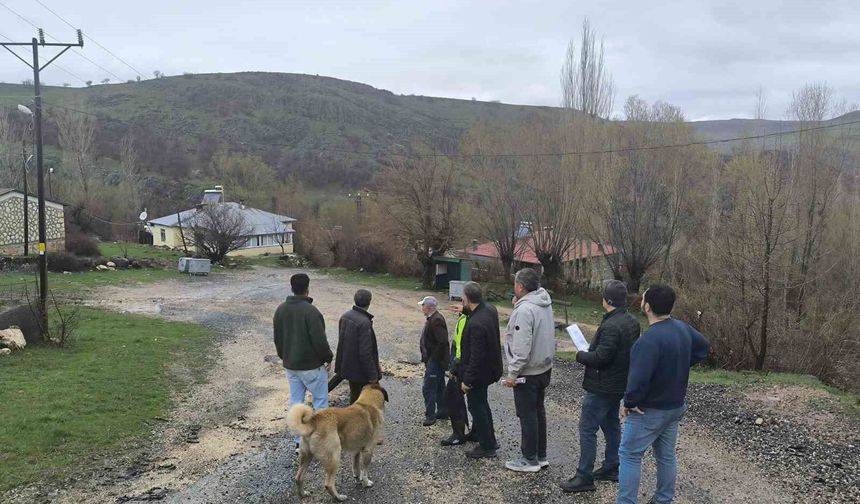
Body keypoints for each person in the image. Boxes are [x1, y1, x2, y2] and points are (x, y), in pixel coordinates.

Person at [616, 284, 710, 504]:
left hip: (649, 410)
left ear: (647, 306)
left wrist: (629, 402)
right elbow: (704, 347)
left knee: (629, 454)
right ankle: (663, 499)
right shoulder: (682, 328)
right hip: (675, 406)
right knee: (666, 456)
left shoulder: (647, 341)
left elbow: (637, 380)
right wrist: (682, 363)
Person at [560, 280, 641, 493]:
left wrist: (580, 354)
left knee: (587, 428)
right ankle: (612, 466)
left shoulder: (612, 325)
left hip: (602, 385)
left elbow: (601, 358)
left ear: (607, 300)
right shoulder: (632, 321)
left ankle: (584, 475)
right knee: (611, 424)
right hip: (618, 384)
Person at [502, 268, 555, 473]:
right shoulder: (544, 302)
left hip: (529, 371)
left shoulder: (525, 311)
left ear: (520, 287)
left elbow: (521, 347)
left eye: (515, 283)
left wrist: (512, 373)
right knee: (538, 411)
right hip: (544, 367)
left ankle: (529, 458)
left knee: (527, 415)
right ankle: (541, 455)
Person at [273, 273, 333, 451]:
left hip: (291, 365)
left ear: (291, 287)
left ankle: (299, 443)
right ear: (308, 288)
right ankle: (319, 441)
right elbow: (319, 341)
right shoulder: (311, 312)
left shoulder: (281, 309)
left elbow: (278, 338)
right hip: (311, 366)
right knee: (320, 402)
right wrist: (328, 357)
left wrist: (284, 356)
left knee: (296, 402)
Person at [459, 281, 504, 459]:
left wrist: (467, 380)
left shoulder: (476, 324)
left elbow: (476, 357)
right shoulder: (489, 310)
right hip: (491, 369)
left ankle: (487, 445)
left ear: (466, 298)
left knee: (477, 406)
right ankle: (481, 435)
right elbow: (477, 312)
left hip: (480, 373)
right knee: (482, 404)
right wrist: (463, 310)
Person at [335, 289, 381, 404]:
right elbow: (365, 352)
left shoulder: (345, 316)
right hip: (361, 371)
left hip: (349, 366)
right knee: (368, 401)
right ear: (369, 302)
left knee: (354, 396)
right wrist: (373, 375)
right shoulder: (364, 322)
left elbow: (342, 342)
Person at [440, 302, 471, 446]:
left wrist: (453, 368)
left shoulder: (466, 319)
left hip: (460, 367)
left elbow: (460, 348)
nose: (460, 305)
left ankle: (459, 434)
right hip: (462, 365)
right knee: (471, 402)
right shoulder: (468, 316)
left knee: (452, 398)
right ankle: (471, 431)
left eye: (464, 302)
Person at [419, 295, 450, 426]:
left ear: (429, 307)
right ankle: (443, 411)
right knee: (439, 386)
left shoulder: (436, 320)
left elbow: (442, 342)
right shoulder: (433, 318)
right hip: (436, 360)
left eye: (423, 305)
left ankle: (430, 415)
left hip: (435, 361)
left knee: (429, 388)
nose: (421, 308)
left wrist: (433, 359)